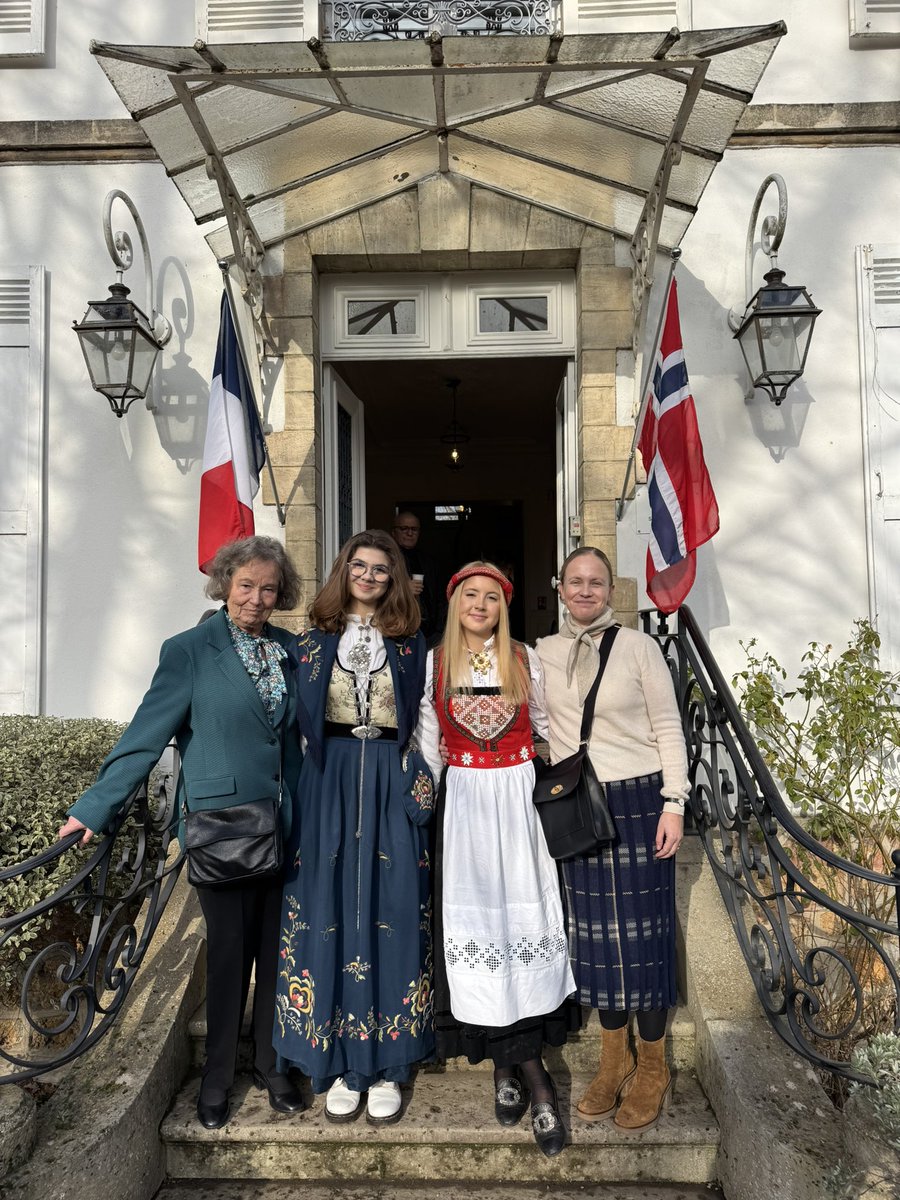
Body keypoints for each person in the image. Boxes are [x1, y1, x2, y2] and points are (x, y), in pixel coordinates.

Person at [58, 536, 306, 1130]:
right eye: (245, 584)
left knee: (276, 954)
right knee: (226, 957)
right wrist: (95, 807)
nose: (256, 597)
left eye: (268, 587)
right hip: (223, 829)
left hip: (288, 823)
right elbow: (145, 735)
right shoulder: (189, 650)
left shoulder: (294, 651)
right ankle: (217, 1076)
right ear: (224, 585)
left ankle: (271, 1066)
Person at [273, 530, 435, 1126]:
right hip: (328, 783)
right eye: (359, 567)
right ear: (344, 571)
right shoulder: (311, 643)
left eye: (381, 569)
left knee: (393, 908)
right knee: (329, 907)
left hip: (391, 777)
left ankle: (389, 1063)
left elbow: (425, 718)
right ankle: (340, 1061)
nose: (369, 577)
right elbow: (291, 725)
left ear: (394, 579)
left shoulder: (413, 643)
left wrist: (422, 778)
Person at [418, 561, 578, 1158]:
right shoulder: (438, 662)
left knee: (520, 926)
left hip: (515, 799)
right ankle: (531, 1082)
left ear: (502, 605)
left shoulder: (523, 656)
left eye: (490, 596)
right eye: (470, 595)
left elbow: (543, 727)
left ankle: (513, 1074)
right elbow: (427, 739)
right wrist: (418, 806)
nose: (480, 604)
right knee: (480, 929)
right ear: (455, 600)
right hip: (463, 803)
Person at [536, 547, 688, 1132]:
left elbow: (669, 728)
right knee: (596, 936)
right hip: (580, 804)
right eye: (575, 581)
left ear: (609, 589)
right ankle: (612, 1061)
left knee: (645, 934)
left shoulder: (639, 647)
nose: (584, 590)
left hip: (640, 799)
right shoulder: (541, 654)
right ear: (559, 586)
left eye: (595, 582)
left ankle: (652, 1068)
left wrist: (674, 803)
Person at [391, 511, 444, 645]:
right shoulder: (386, 560)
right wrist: (402, 588)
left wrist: (439, 631)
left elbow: (441, 599)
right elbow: (375, 593)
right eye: (404, 529)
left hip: (430, 634)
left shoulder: (429, 562)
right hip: (397, 633)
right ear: (394, 532)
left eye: (414, 529)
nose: (410, 533)